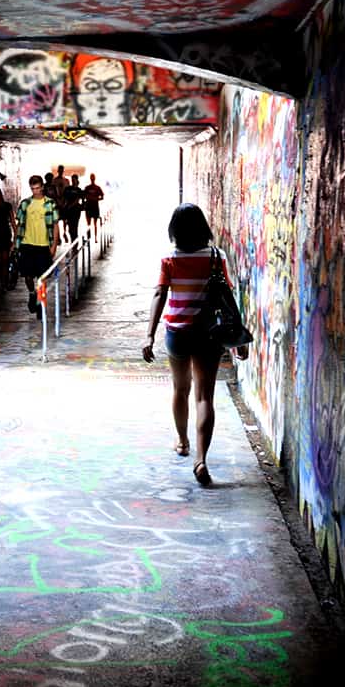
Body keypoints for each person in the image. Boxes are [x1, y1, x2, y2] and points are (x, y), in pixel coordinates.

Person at [140, 203, 249, 487]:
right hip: (208, 333)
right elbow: (226, 296)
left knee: (180, 388)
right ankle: (201, 459)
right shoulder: (216, 256)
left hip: (177, 331)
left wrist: (149, 335)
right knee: (204, 397)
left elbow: (159, 294)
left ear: (174, 230)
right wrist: (237, 337)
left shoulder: (169, 258)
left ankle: (183, 442)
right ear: (203, 227)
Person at [14, 174, 58, 320]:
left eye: (38, 188)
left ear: (42, 187)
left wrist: (54, 246)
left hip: (43, 245)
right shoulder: (25, 204)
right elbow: (19, 225)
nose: (36, 191)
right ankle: (32, 293)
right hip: (27, 244)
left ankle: (40, 304)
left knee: (42, 278)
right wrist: (15, 243)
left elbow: (55, 225)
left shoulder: (50, 204)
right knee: (27, 276)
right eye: (33, 189)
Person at [60, 174, 84, 243]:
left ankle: (75, 241)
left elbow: (79, 199)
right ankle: (72, 240)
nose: (73, 181)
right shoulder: (67, 189)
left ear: (77, 180)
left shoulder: (79, 190)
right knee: (70, 228)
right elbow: (64, 199)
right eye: (72, 179)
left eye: (74, 179)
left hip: (76, 210)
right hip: (69, 210)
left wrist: (80, 206)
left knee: (75, 226)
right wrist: (64, 206)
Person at [82, 173, 105, 240]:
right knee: (88, 224)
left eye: (93, 177)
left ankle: (95, 237)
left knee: (95, 223)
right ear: (90, 178)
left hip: (95, 206)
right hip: (88, 207)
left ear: (94, 178)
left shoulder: (97, 188)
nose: (92, 179)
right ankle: (89, 237)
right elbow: (83, 196)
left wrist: (96, 199)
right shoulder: (87, 187)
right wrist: (84, 203)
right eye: (91, 177)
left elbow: (102, 197)